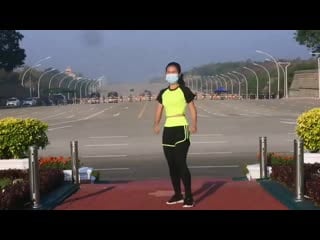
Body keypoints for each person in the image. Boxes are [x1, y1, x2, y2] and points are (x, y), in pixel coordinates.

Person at [153, 62, 197, 208]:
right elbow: (159, 109)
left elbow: (192, 109)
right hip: (168, 130)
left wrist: (193, 124)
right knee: (172, 165)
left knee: (181, 163)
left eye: (173, 72)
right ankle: (178, 194)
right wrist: (156, 123)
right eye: (168, 72)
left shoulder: (184, 90)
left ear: (178, 74)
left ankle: (189, 196)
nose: (171, 74)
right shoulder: (163, 93)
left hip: (181, 128)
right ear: (166, 74)